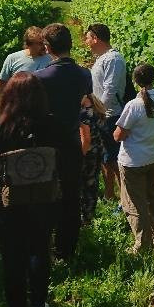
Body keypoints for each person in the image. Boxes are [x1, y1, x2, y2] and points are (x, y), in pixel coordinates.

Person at [0, 72, 57, 307]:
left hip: (8, 206)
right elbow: (67, 160)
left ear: (8, 97)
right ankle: (39, 305)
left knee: (12, 259)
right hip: (44, 201)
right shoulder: (51, 125)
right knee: (39, 250)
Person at [34, 23, 92, 260]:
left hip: (46, 143)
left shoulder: (39, 77)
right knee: (71, 197)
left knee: (43, 196)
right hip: (71, 142)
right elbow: (83, 106)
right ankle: (65, 250)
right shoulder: (84, 74)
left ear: (47, 48)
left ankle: (42, 246)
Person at [113, 63, 154, 253]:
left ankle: (142, 245)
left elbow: (118, 135)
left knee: (134, 203)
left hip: (133, 162)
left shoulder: (133, 105)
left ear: (135, 81)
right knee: (152, 196)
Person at [83, 24, 126, 203]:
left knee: (115, 160)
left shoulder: (113, 59)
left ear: (95, 38)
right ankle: (110, 195)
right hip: (102, 115)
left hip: (110, 116)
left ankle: (125, 198)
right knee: (106, 157)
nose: (85, 42)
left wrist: (97, 112)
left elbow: (110, 90)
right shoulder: (103, 58)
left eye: (87, 38)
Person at [0, 26, 52, 108]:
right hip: (18, 109)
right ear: (29, 44)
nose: (44, 46)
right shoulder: (12, 58)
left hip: (42, 109)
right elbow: (0, 84)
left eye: (44, 43)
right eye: (40, 43)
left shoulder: (51, 58)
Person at [78, 93, 108, 224]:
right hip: (97, 150)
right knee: (92, 184)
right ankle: (89, 216)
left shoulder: (84, 112)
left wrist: (80, 156)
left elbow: (86, 139)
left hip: (87, 153)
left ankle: (84, 219)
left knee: (82, 186)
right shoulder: (96, 106)